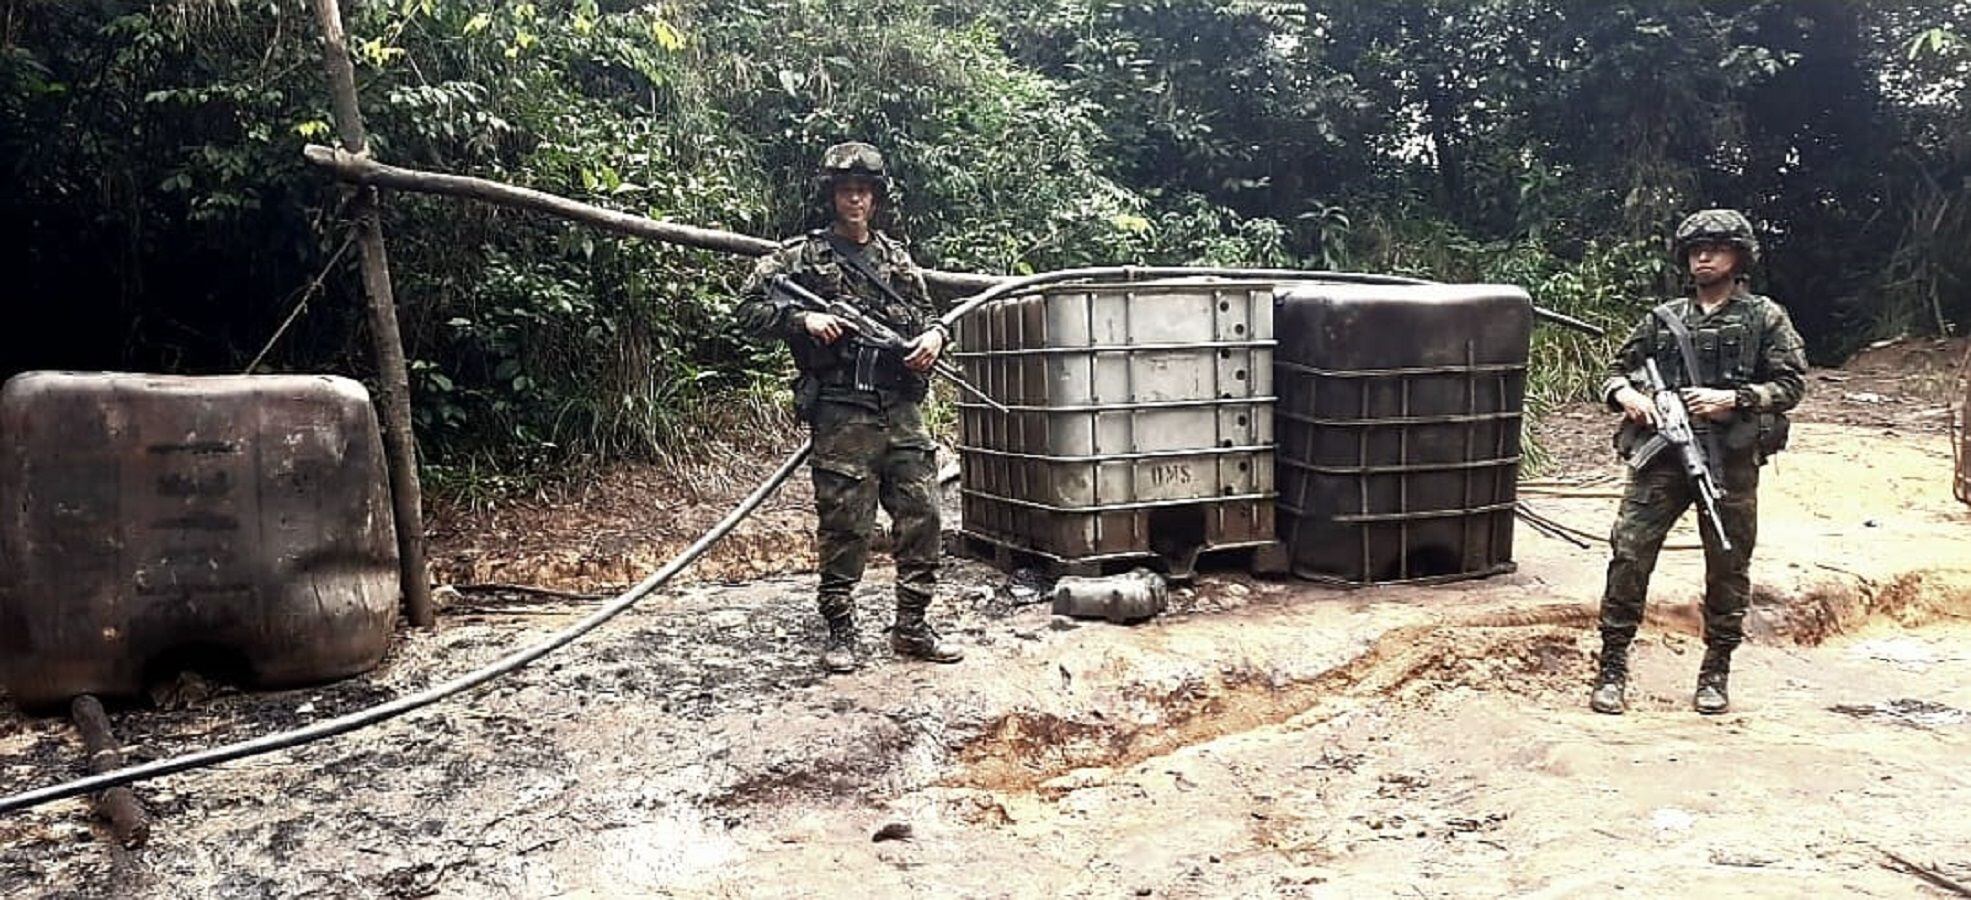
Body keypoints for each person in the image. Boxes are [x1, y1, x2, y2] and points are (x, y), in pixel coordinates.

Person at [734, 141, 964, 674]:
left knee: (923, 515)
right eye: (845, 191)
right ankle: (840, 629)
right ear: (832, 197)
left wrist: (933, 337)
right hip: (841, 412)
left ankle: (912, 626)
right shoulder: (801, 258)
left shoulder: (896, 259)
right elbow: (746, 308)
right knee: (846, 525)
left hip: (900, 408)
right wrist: (803, 322)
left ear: (875, 198)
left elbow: (930, 316)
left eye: (862, 191)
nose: (854, 200)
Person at [1590, 208, 1808, 715]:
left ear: (1739, 256)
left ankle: (1716, 669)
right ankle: (1612, 665)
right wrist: (1627, 395)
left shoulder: (1764, 318)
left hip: (1728, 460)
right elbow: (1612, 371)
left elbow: (1792, 385)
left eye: (1715, 247)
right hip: (1660, 456)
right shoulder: (1663, 320)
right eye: (1695, 250)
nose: (1703, 257)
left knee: (1728, 564)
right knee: (1629, 554)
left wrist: (1735, 399)